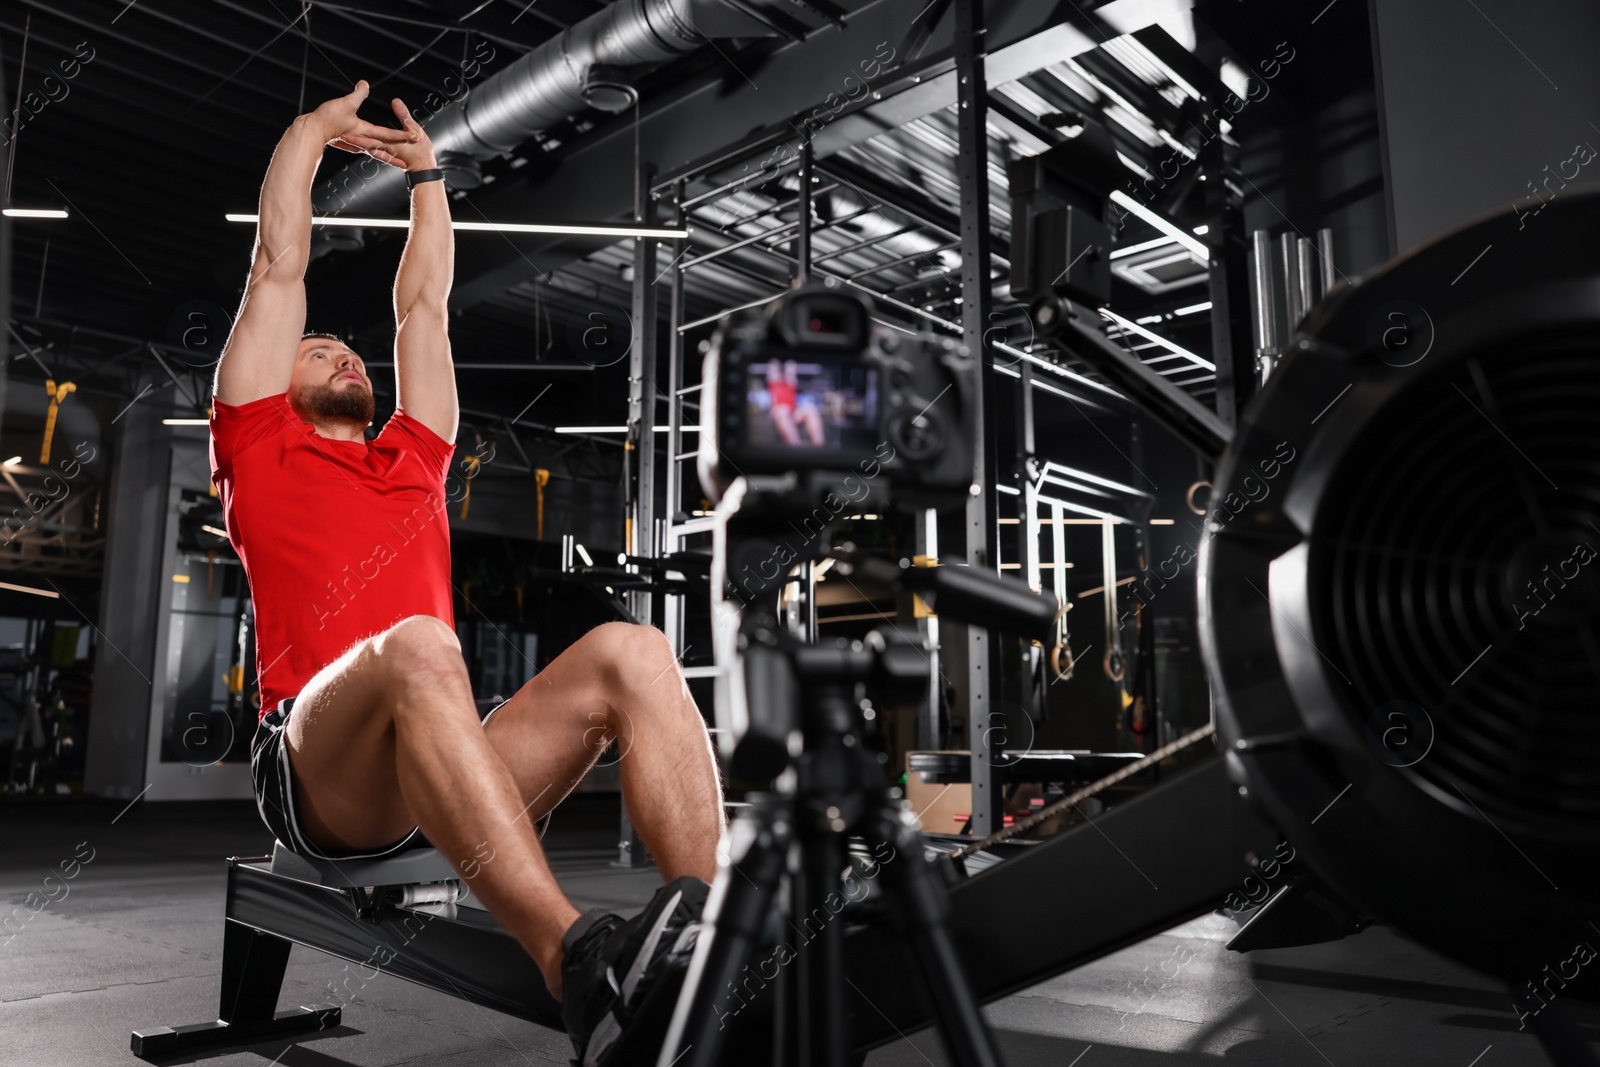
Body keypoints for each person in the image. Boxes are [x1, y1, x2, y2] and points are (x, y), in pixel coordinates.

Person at [208, 81, 724, 1064]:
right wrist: (309, 131)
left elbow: (425, 306)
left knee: (634, 649)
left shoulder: (412, 458)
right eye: (323, 350)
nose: (347, 356)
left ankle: (707, 945)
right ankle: (573, 963)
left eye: (353, 354)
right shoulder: (258, 444)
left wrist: (431, 177)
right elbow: (279, 266)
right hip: (318, 771)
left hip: (441, 755)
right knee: (419, 643)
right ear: (278, 380)